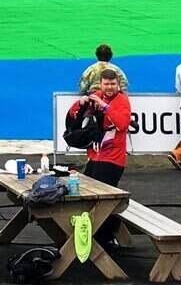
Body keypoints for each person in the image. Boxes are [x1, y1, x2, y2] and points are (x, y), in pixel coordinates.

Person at [69, 69, 131, 245]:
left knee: (104, 200)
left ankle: (105, 237)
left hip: (113, 159)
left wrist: (105, 107)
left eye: (112, 84)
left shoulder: (122, 101)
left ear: (118, 85)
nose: (109, 87)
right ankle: (99, 233)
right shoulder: (96, 95)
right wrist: (80, 103)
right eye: (106, 84)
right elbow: (74, 113)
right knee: (87, 195)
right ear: (101, 84)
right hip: (96, 156)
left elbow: (123, 123)